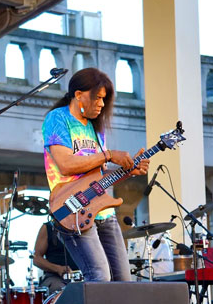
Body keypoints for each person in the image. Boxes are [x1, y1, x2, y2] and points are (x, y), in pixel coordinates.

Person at [42, 67, 150, 282]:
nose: (102, 104)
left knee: (123, 280)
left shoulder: (95, 128)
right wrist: (108, 155)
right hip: (72, 208)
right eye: (98, 98)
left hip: (102, 211)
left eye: (104, 99)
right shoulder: (58, 119)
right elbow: (66, 165)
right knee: (99, 277)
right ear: (79, 94)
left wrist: (128, 172)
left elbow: (97, 175)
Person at [33, 220, 78, 294]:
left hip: (82, 277)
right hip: (55, 277)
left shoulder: (85, 227)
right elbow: (36, 258)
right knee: (59, 289)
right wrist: (58, 269)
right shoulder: (48, 227)